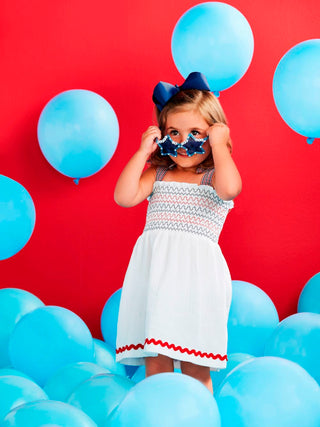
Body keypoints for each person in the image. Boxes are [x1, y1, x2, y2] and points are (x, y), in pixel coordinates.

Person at [114, 72, 242, 393]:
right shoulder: (158, 174)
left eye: (195, 133)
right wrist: (143, 152)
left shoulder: (213, 177)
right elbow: (124, 196)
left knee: (194, 365)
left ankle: (199, 416)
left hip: (196, 282)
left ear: (213, 134)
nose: (183, 143)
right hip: (156, 279)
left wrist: (219, 146)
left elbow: (230, 189)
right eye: (174, 132)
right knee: (157, 362)